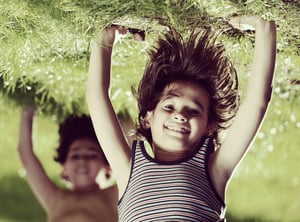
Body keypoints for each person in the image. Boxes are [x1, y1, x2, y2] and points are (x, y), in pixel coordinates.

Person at [86, 15, 276, 221]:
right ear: (148, 117)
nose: (180, 115)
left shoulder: (213, 171)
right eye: (169, 106)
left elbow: (96, 98)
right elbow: (259, 101)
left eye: (194, 111)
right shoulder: (128, 172)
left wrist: (105, 38)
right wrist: (264, 29)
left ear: (208, 127)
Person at [18, 106, 118, 222]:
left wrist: (122, 121)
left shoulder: (114, 196)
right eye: (75, 156)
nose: (82, 161)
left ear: (108, 167)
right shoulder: (55, 199)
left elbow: (137, 165)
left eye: (92, 155)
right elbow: (26, 154)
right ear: (64, 167)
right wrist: (28, 108)